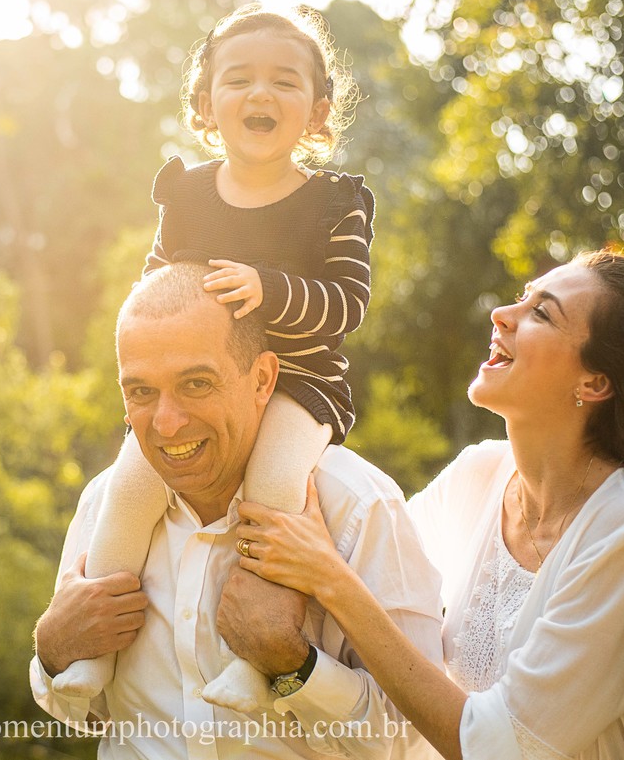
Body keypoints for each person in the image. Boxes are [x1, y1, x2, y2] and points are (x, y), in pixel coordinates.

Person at [231, 249, 624, 759]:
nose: (502, 313)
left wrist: (332, 582)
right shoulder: (480, 473)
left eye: (542, 313)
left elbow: (498, 747)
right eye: (521, 297)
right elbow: (366, 563)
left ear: (594, 382)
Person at [53, 2, 376, 711]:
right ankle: (96, 653)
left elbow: (346, 303)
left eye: (285, 82)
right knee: (128, 489)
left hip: (300, 383)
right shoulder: (189, 191)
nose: (261, 94)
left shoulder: (333, 202)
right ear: (206, 105)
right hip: (199, 386)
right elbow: (156, 278)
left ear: (318, 112)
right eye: (239, 80)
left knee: (272, 495)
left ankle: (253, 660)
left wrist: (269, 290)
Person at [31, 262, 444, 759]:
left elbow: (414, 741)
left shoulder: (358, 507)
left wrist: (293, 665)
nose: (167, 423)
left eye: (196, 384)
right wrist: (52, 652)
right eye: (141, 391)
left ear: (263, 379)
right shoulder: (105, 506)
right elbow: (80, 708)